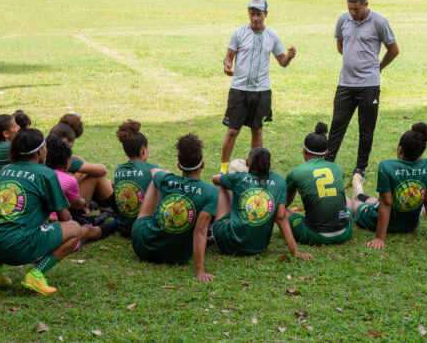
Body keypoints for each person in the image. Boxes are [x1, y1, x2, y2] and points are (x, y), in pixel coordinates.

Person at [0, 128, 81, 294]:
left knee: (6, 222)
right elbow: (64, 217)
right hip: (17, 248)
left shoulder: (5, 170)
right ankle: (36, 274)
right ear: (40, 151)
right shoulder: (46, 174)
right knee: (74, 228)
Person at [325, 0, 399, 182]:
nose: (352, 13)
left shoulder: (379, 22)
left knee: (366, 128)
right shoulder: (343, 20)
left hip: (369, 85)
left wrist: (378, 66)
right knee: (337, 124)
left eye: (356, 9)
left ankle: (360, 168)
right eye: (349, 8)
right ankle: (328, 162)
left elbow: (394, 49)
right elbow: (340, 44)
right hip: (346, 83)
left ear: (366, 5)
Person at [346, 123, 427, 249]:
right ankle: (360, 193)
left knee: (353, 204)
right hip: (410, 224)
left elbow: (386, 204)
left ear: (399, 149)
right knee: (378, 201)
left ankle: (358, 194)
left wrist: (379, 238)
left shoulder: (386, 167)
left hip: (375, 218)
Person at [219, 0, 296, 174]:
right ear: (248, 14)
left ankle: (256, 169)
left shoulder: (273, 36)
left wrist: (289, 57)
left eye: (259, 14)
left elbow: (282, 61)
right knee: (232, 131)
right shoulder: (238, 33)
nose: (255, 18)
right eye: (252, 14)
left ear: (265, 14)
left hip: (261, 92)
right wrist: (227, 64)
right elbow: (228, 56)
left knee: (257, 131)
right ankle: (223, 169)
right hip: (239, 90)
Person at [131, 133, 218, 282]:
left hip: (143, 247)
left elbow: (154, 172)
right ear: (202, 164)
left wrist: (169, 176)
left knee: (155, 182)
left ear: (179, 165)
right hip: (177, 256)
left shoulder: (166, 179)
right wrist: (200, 272)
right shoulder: (210, 191)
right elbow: (200, 232)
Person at [210, 147, 313, 259]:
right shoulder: (279, 181)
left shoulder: (238, 177)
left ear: (248, 162)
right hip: (259, 246)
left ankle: (211, 229)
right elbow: (281, 218)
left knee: (221, 186)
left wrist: (224, 174)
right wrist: (295, 252)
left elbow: (215, 179)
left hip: (229, 242)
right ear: (269, 165)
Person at [285, 123, 352, 245]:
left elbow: (285, 203)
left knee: (281, 211)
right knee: (346, 199)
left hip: (315, 235)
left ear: (304, 150)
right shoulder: (338, 168)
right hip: (345, 232)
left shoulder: (296, 172)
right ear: (326, 152)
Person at [45, 135, 117, 242]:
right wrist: (85, 202)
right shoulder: (68, 180)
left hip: (41, 221)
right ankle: (120, 221)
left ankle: (113, 216)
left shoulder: (40, 173)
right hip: (54, 226)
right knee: (87, 230)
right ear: (68, 161)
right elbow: (74, 205)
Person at [51, 114, 118, 215]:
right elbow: (102, 170)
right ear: (69, 142)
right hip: (62, 210)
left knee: (80, 175)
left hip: (50, 206)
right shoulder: (64, 157)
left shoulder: (44, 151)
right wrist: (84, 164)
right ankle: (121, 212)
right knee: (97, 178)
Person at [113, 119, 158, 237]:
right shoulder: (152, 170)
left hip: (124, 229)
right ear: (143, 150)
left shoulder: (119, 170)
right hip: (144, 228)